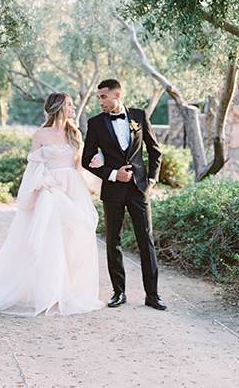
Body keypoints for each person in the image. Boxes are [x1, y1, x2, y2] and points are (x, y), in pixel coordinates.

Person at [0, 92, 104, 316]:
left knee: (73, 239)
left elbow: (78, 165)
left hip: (72, 189)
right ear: (58, 107)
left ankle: (68, 290)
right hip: (50, 190)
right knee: (50, 240)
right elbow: (34, 167)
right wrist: (43, 185)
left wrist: (97, 163)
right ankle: (49, 291)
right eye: (69, 104)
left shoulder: (74, 133)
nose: (73, 108)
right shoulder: (40, 134)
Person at [82, 78, 167, 311]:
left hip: (139, 189)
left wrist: (151, 178)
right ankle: (119, 293)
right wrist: (112, 174)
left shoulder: (139, 116)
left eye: (103, 97)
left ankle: (152, 295)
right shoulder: (96, 123)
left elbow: (154, 150)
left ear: (117, 95)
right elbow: (86, 160)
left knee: (146, 241)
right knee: (113, 242)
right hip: (113, 190)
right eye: (99, 97)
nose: (100, 101)